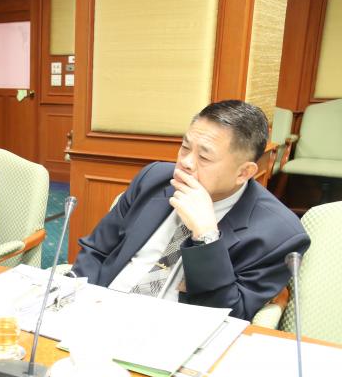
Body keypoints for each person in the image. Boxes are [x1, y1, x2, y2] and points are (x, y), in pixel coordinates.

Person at [73, 100, 310, 321]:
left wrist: (206, 238)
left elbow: (230, 316)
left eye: (204, 157)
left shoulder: (280, 234)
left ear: (243, 173)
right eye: (185, 147)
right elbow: (96, 249)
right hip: (97, 309)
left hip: (173, 331)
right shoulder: (153, 178)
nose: (185, 162)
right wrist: (77, 302)